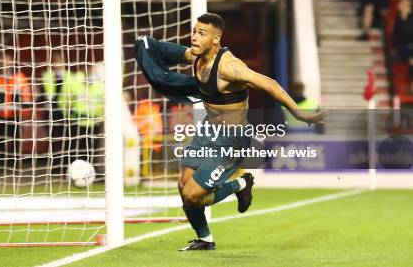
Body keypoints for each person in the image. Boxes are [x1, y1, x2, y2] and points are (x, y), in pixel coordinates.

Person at [135, 13, 326, 251]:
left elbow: (270, 84)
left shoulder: (229, 66)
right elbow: (171, 51)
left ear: (216, 39)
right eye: (195, 31)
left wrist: (298, 113)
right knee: (183, 186)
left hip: (231, 139)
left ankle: (241, 184)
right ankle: (205, 240)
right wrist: (145, 46)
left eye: (202, 34)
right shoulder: (194, 57)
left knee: (194, 196)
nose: (195, 37)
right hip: (208, 129)